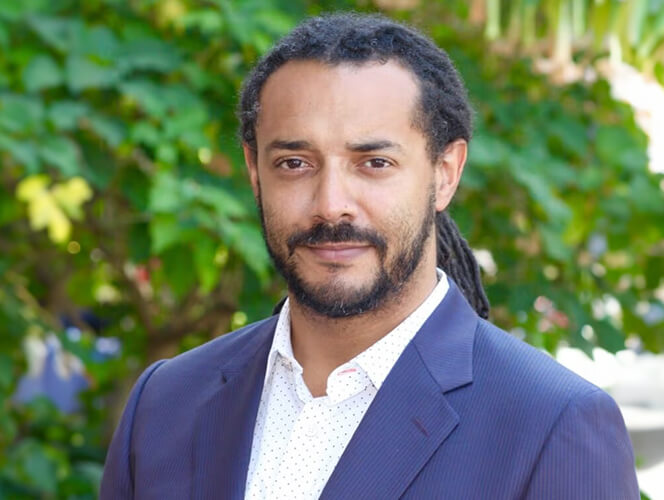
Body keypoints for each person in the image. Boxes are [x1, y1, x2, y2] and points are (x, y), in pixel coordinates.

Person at [101, 12, 639, 499]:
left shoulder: (552, 424)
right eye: (294, 163)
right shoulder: (165, 402)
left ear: (445, 173)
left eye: (374, 163)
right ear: (254, 172)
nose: (330, 204)